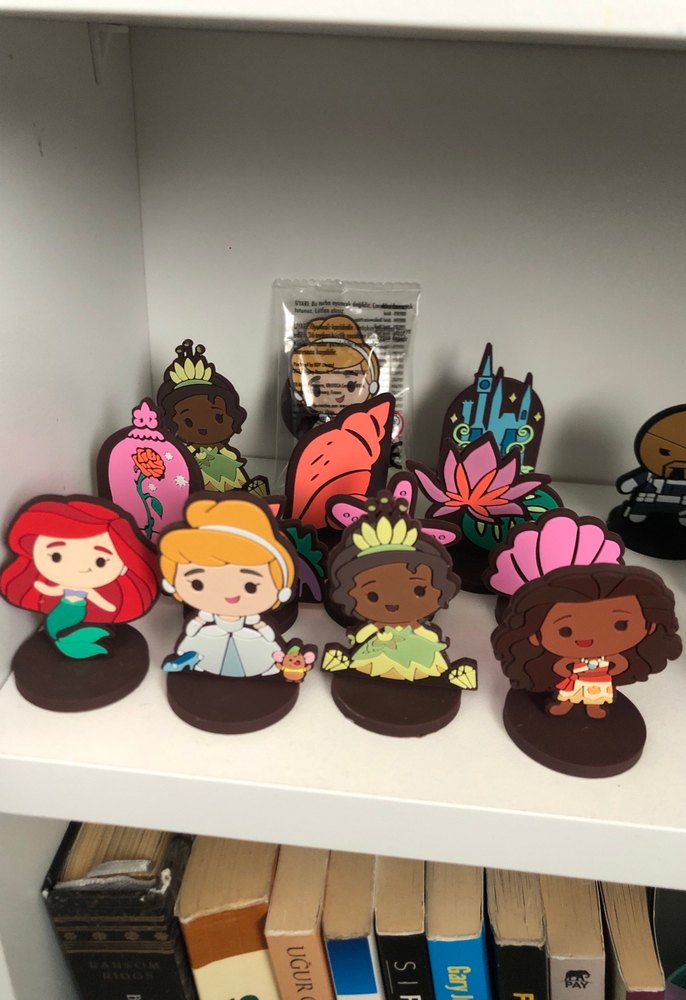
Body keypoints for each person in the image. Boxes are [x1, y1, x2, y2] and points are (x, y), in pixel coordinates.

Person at [1, 497, 158, 659]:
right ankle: (71, 642)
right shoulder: (60, 587)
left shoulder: (90, 592)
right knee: (57, 629)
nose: (80, 567)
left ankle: (81, 641)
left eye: (100, 561)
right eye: (56, 556)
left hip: (78, 613)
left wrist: (107, 606)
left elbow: (98, 600)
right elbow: (51, 590)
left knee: (69, 631)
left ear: (124, 566)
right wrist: (43, 587)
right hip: (60, 613)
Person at [160, 497, 298, 678]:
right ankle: (197, 662)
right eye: (197, 584)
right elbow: (194, 628)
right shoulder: (206, 616)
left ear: (282, 590)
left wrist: (265, 632)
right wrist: (195, 627)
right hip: (211, 636)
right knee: (205, 653)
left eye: (250, 586)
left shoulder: (252, 618)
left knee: (258, 658)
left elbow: (266, 633)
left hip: (247, 639)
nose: (229, 593)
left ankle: (264, 667)